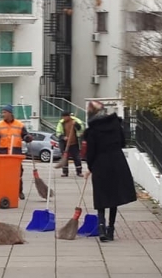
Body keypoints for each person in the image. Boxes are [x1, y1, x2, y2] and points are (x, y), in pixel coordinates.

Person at [83, 100, 137, 242]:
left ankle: (101, 229)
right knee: (114, 197)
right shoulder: (115, 125)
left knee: (101, 197)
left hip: (100, 164)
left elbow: (91, 151)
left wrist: (90, 166)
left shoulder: (92, 130)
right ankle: (111, 230)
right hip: (117, 161)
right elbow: (122, 142)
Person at [0, 104, 33, 200]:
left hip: (15, 152)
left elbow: (25, 136)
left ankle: (19, 191)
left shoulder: (20, 125)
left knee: (18, 173)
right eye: (3, 112)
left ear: (10, 113)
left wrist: (28, 138)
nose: (3, 114)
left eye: (5, 112)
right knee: (3, 174)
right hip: (3, 152)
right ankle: (5, 190)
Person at [55, 111, 85, 177]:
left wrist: (76, 124)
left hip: (74, 143)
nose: (64, 118)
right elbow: (58, 132)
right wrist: (63, 137)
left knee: (77, 157)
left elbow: (81, 129)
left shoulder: (75, 121)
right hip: (65, 144)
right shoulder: (61, 123)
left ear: (68, 116)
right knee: (65, 158)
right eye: (63, 117)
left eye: (65, 117)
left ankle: (79, 172)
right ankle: (65, 172)